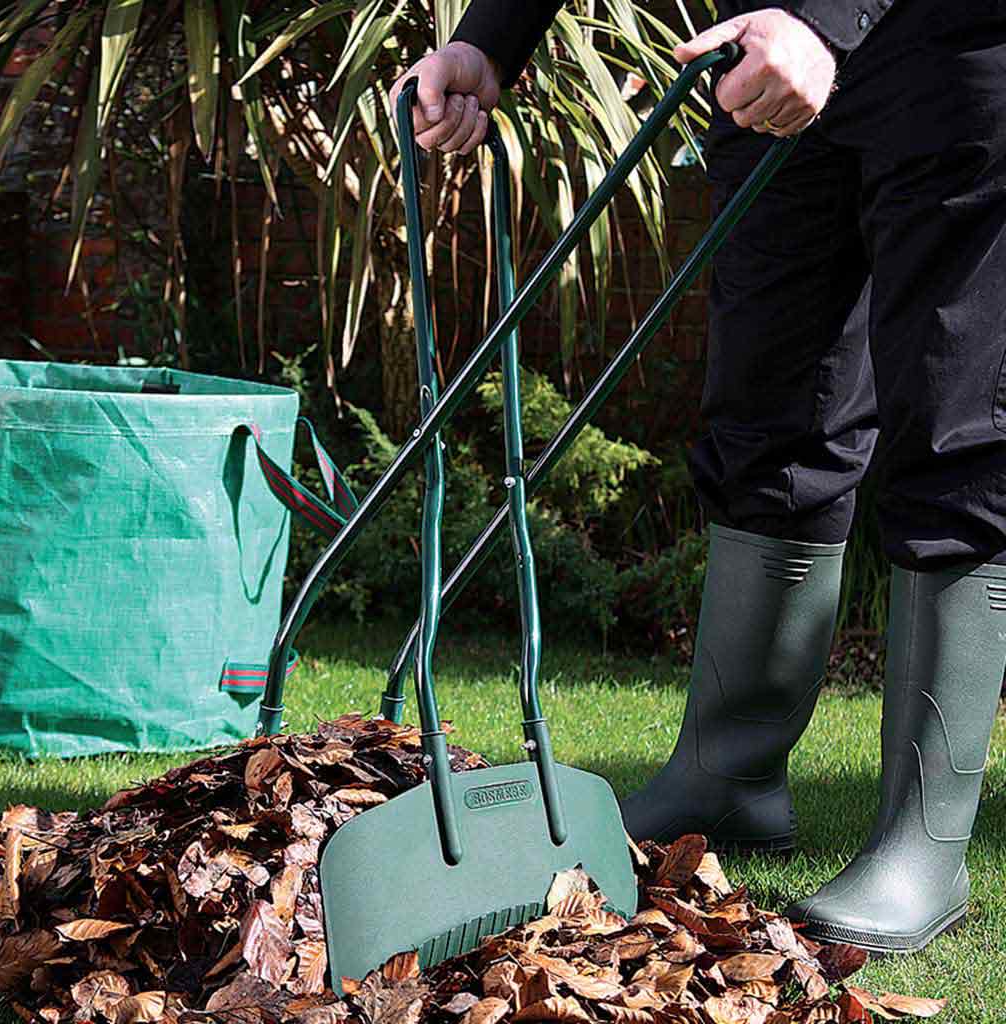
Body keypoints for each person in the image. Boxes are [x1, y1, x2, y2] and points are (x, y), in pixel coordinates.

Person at [388, 2, 1006, 956]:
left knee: (952, 422)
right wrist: (489, 39)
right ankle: (731, 772)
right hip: (766, 48)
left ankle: (924, 847)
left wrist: (829, 22)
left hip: (953, 45)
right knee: (769, 409)